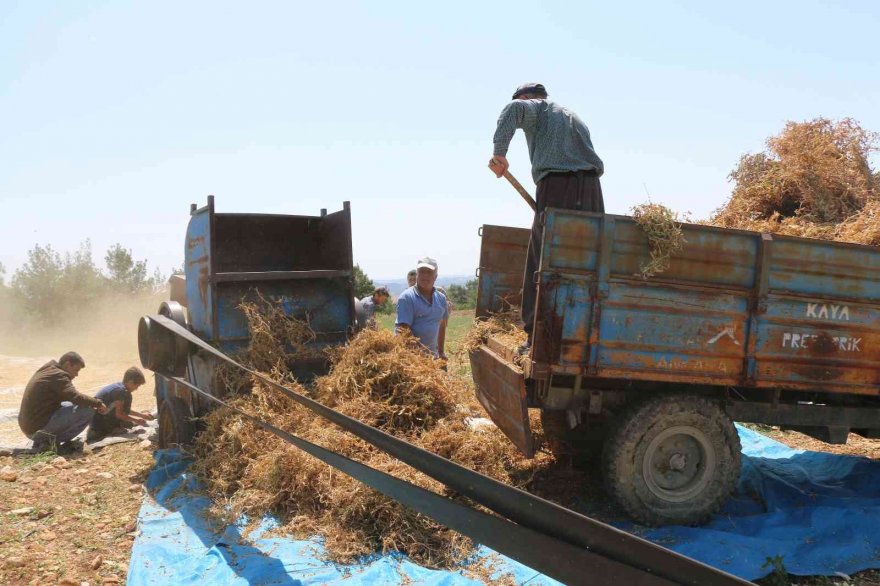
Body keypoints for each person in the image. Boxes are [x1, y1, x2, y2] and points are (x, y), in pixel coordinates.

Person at [489, 82, 605, 352]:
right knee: (585, 263)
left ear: (528, 97)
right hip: (591, 191)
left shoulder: (535, 109)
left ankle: (535, 338)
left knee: (541, 261)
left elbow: (513, 110)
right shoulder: (572, 116)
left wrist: (499, 153)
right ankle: (580, 335)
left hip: (556, 186)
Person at [18, 352, 108, 452]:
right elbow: (75, 396)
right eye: (76, 370)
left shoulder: (49, 369)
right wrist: (98, 403)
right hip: (36, 429)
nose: (76, 374)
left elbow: (71, 397)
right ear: (67, 364)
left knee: (75, 404)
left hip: (30, 427)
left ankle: (42, 440)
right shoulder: (59, 375)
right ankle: (51, 442)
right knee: (89, 409)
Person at [395, 257, 449, 359]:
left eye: (429, 272)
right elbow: (403, 330)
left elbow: (442, 324)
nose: (425, 275)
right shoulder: (407, 298)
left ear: (435, 276)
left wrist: (441, 351)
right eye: (422, 271)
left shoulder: (441, 299)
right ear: (417, 274)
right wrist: (420, 359)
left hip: (432, 358)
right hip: (411, 360)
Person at [86, 367, 154, 442]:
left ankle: (113, 428)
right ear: (131, 382)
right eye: (137, 386)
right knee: (128, 423)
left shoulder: (119, 386)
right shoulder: (121, 392)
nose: (136, 389)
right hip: (98, 425)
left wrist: (142, 415)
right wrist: (136, 420)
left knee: (129, 423)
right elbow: (120, 414)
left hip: (95, 421)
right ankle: (110, 430)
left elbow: (122, 409)